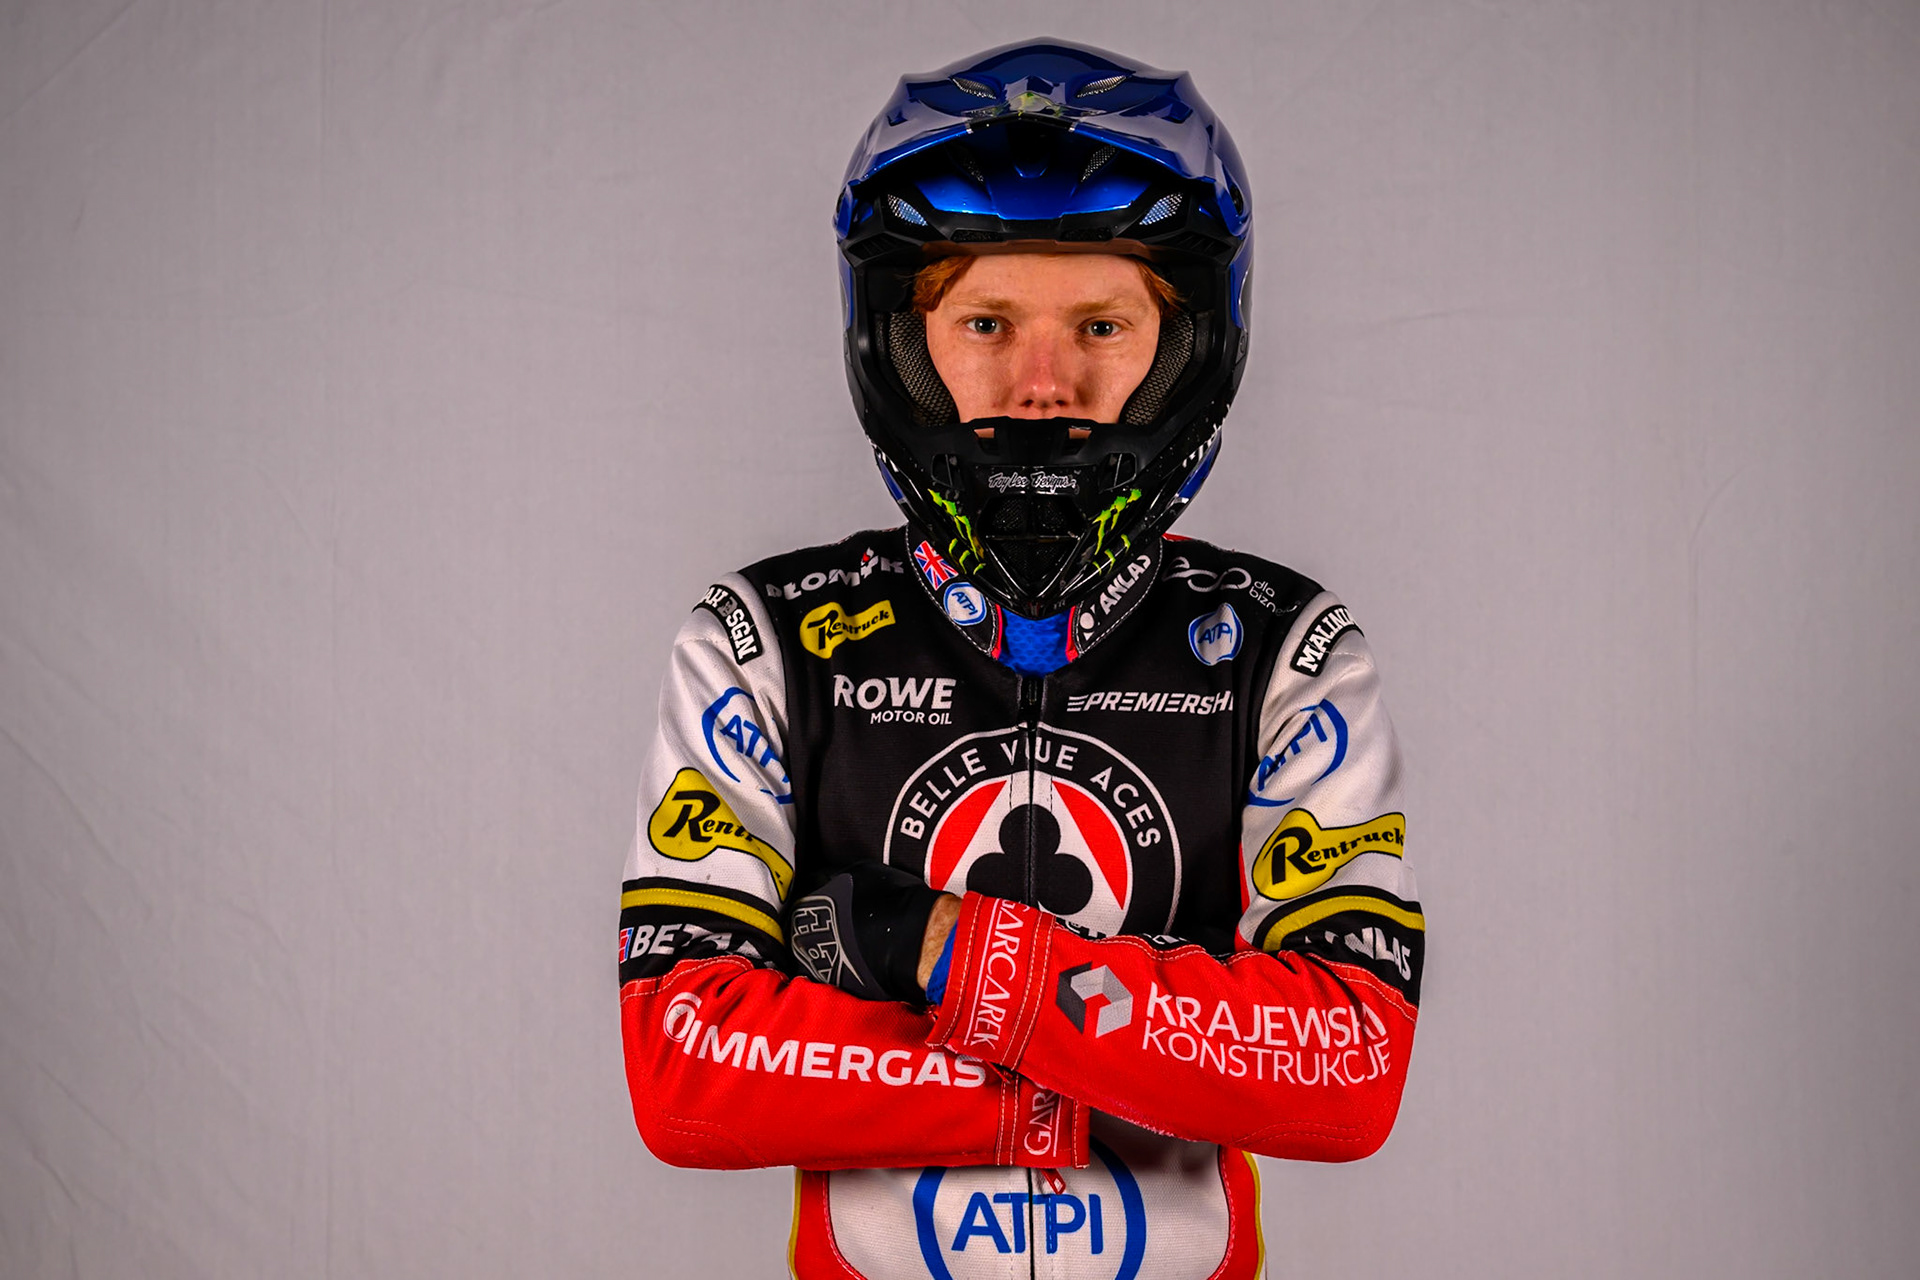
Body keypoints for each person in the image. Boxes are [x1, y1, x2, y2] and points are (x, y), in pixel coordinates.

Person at [617, 39, 1424, 1280]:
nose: (1043, 387)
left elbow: (1348, 1068)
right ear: (900, 340)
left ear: (1189, 343)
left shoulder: (1287, 648)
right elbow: (685, 1070)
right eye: (985, 322)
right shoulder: (762, 638)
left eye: (1103, 323)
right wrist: (1089, 1076)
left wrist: (931, 944)